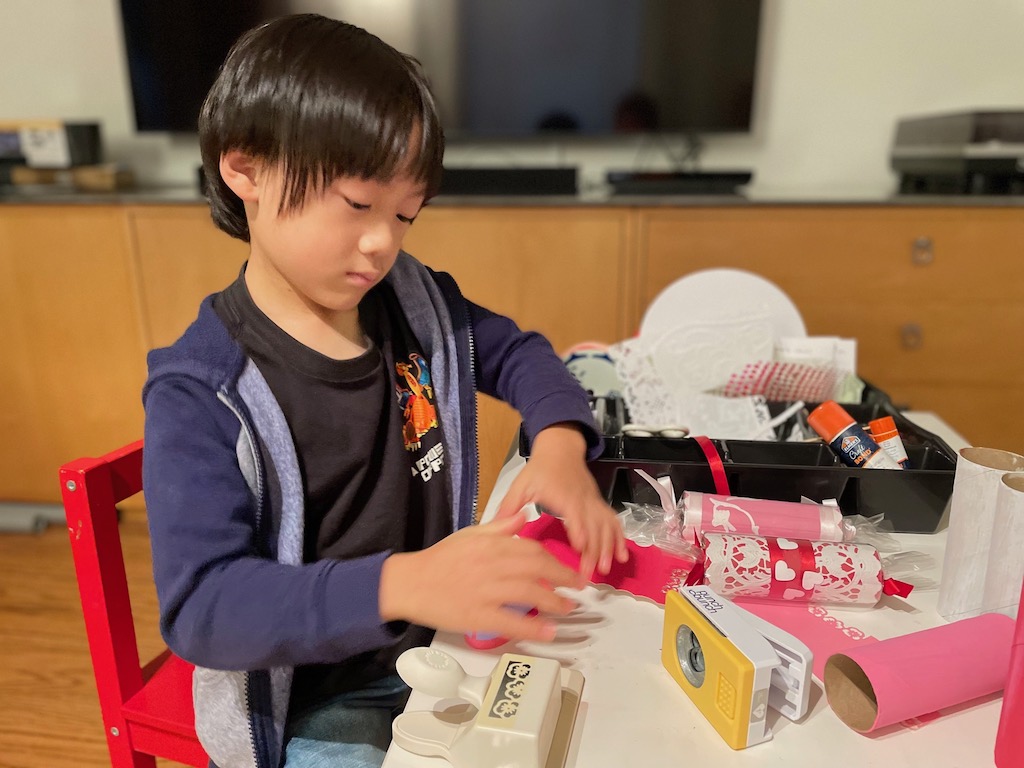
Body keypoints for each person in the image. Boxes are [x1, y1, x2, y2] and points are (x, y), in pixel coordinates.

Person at [141, 14, 627, 768]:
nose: (383, 243)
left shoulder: (414, 304)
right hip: (319, 697)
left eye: (405, 213)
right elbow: (203, 609)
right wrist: (404, 583)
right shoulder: (203, 390)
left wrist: (560, 443)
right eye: (358, 204)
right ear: (247, 170)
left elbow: (522, 355)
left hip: (446, 639)